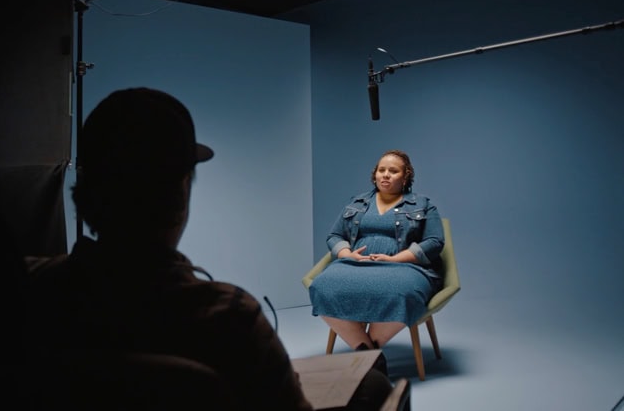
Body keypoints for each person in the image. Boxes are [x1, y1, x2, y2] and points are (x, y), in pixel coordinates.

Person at [22, 87, 392, 410]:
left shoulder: (26, 288)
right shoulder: (230, 318)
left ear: (85, 186)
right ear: (181, 188)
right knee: (373, 386)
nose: (385, 176)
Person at [308, 149, 445, 373]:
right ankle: (369, 355)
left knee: (401, 293)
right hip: (356, 264)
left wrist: (396, 259)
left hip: (405, 267)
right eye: (382, 170)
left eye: (393, 171)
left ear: (406, 176)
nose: (386, 175)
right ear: (375, 174)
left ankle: (367, 357)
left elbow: (434, 241)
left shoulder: (423, 205)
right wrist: (347, 254)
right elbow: (334, 236)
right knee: (322, 287)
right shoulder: (357, 202)